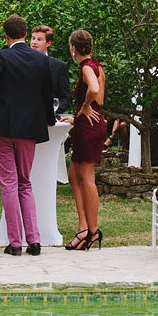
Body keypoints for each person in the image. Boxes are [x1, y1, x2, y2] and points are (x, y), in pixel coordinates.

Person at [0, 15, 55, 256]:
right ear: (25, 34)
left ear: (6, 35)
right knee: (25, 182)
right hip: (28, 128)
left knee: (9, 183)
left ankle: (15, 242)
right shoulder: (40, 59)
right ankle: (34, 240)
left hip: (0, 127)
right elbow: (47, 94)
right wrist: (48, 120)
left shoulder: (1, 56)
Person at [64, 30, 107, 250]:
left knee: (87, 179)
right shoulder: (97, 66)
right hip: (91, 123)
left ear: (73, 48)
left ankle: (92, 230)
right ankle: (83, 226)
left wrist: (85, 106)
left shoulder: (86, 67)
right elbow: (101, 100)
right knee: (74, 176)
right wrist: (78, 116)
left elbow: (94, 90)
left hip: (88, 128)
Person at [30, 26, 74, 116]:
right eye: (33, 38)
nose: (34, 42)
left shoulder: (59, 67)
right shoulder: (21, 63)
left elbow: (66, 99)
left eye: (39, 39)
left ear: (48, 43)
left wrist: (50, 111)